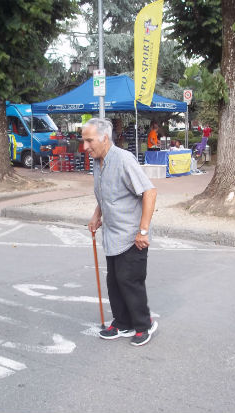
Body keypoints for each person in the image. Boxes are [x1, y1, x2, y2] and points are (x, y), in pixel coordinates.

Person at [83, 117, 158, 347]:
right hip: (112, 233)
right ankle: (122, 322)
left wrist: (143, 230)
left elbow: (149, 192)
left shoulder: (123, 159)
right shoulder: (98, 161)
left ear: (105, 138)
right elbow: (106, 194)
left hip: (132, 235)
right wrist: (97, 215)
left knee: (130, 280)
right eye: (83, 141)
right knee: (114, 280)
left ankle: (144, 325)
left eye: (89, 141)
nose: (85, 147)